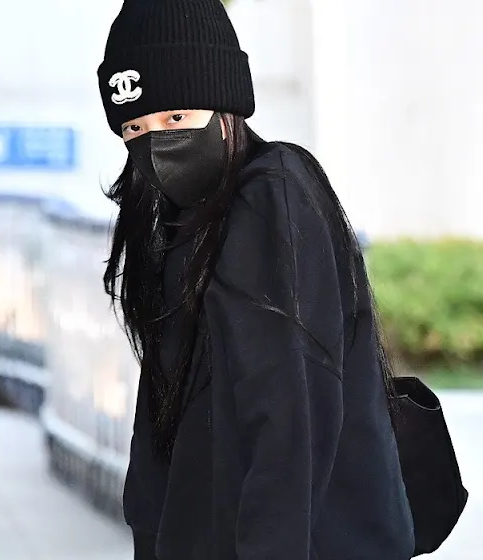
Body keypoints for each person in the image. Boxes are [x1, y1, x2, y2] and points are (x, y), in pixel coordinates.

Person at [98, 1, 415, 559]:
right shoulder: (180, 226)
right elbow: (161, 439)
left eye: (177, 118)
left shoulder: (272, 196)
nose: (156, 145)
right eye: (134, 127)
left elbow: (288, 422)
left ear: (227, 106)